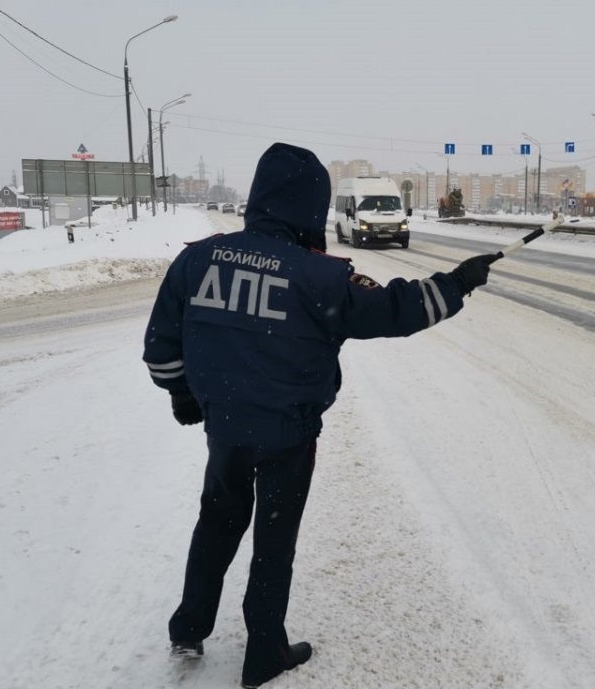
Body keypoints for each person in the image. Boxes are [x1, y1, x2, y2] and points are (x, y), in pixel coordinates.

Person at [143, 142, 498, 689]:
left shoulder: (199, 259)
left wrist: (183, 396)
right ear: (312, 206)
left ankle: (189, 627)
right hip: (288, 433)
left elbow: (162, 345)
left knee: (216, 522)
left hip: (226, 427)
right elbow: (395, 311)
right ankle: (264, 654)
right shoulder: (321, 277)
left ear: (259, 196)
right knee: (273, 542)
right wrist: (457, 282)